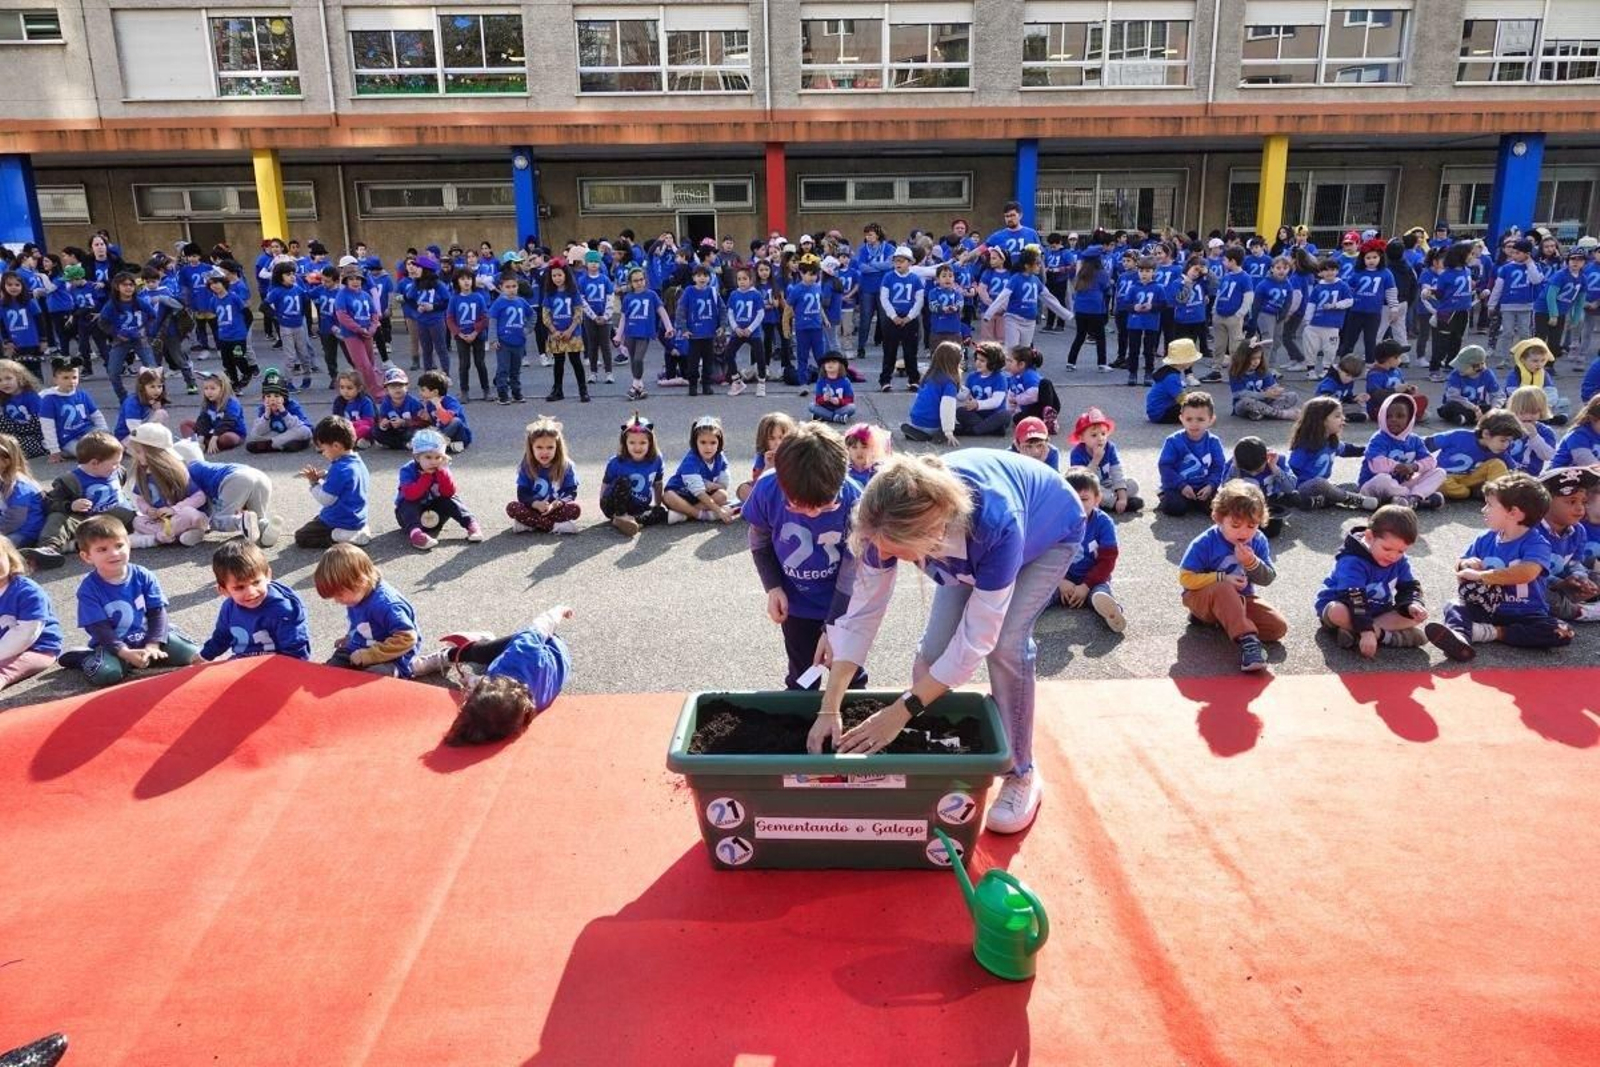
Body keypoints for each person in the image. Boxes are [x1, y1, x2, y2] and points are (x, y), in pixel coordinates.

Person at [811, 449, 1087, 835]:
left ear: (931, 535)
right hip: (967, 545)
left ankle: (1021, 771)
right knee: (934, 654)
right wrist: (830, 705)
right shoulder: (884, 513)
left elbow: (978, 638)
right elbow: (862, 613)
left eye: (894, 550)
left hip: (1049, 529)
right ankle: (931, 748)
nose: (884, 556)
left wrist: (901, 710)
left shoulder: (995, 525)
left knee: (1006, 644)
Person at [744, 423, 865, 690]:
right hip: (796, 603)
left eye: (824, 506)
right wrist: (773, 586)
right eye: (798, 505)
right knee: (802, 673)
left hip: (844, 603)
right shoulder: (767, 489)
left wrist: (834, 624)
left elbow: (852, 570)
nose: (812, 514)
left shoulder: (855, 500)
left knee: (848, 672)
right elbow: (759, 540)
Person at [1426, 472, 1573, 660]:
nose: (1484, 510)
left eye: (1490, 505)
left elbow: (1526, 573)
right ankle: (1461, 637)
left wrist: (1482, 576)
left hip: (1527, 613)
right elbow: (1460, 564)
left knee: (1563, 631)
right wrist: (1465, 564)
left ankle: (1490, 633)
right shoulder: (1484, 538)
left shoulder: (1537, 543)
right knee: (1454, 605)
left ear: (1514, 513)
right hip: (1486, 608)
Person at [56, 515, 199, 687]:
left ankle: (146, 655)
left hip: (146, 636)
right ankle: (84, 657)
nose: (114, 553)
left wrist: (153, 644)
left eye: (119, 546)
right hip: (113, 645)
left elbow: (157, 613)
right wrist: (124, 652)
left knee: (191, 655)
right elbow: (100, 629)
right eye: (102, 549)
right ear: (87, 556)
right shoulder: (88, 589)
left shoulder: (143, 575)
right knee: (107, 674)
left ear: (129, 545)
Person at [414, 605, 575, 746]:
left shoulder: (521, 707)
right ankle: (459, 652)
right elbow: (542, 625)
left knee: (485, 657)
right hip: (550, 646)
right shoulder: (523, 652)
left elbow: (493, 708)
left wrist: (471, 681)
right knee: (484, 652)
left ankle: (474, 646)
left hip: (549, 661)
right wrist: (560, 610)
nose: (465, 697)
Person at [1177, 479, 1287, 672]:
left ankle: (1225, 620)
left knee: (1277, 627)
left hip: (1241, 599)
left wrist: (1251, 563)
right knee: (1223, 587)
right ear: (1219, 518)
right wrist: (1220, 577)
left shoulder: (1258, 540)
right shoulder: (1205, 542)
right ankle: (1248, 642)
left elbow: (1268, 578)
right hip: (1200, 597)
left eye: (1251, 526)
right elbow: (1185, 578)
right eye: (1236, 525)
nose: (1244, 532)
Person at [1314, 504, 1428, 656]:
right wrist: (1367, 631)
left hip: (1378, 612)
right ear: (1369, 537)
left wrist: (1411, 604)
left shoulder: (1399, 560)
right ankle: (1387, 637)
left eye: (1401, 551)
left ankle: (1354, 633)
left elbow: (1409, 587)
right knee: (1337, 611)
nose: (1393, 556)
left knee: (1416, 616)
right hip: (1347, 605)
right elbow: (1354, 597)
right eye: (1387, 549)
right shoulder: (1352, 560)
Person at [19, 430, 134, 571]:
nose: (117, 466)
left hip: (111, 514)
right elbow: (50, 503)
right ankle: (48, 549)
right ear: (94, 463)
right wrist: (71, 505)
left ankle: (152, 531)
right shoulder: (68, 480)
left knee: (133, 515)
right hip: (83, 518)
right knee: (58, 518)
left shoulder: (118, 472)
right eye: (114, 463)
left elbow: (120, 493)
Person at [314, 543, 420, 676]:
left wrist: (369, 655)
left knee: (370, 679)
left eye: (339, 595)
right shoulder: (356, 596)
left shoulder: (387, 605)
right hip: (361, 646)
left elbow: (407, 638)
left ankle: (421, 665)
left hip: (391, 656)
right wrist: (349, 637)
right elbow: (360, 623)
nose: (337, 601)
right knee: (331, 671)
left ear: (360, 581)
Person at [199, 538, 311, 662]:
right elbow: (222, 637)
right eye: (239, 587)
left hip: (278, 665)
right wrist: (204, 655)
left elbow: (296, 653)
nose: (251, 592)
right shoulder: (229, 608)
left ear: (268, 576)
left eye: (256, 582)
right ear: (224, 590)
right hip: (242, 662)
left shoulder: (284, 610)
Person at [1058, 468, 1125, 632]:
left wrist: (1086, 585)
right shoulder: (1055, 521)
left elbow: (1107, 561)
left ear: (1097, 499)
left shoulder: (1104, 523)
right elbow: (1043, 555)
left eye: (1084, 499)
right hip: (1059, 578)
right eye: (1072, 499)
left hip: (1094, 578)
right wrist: (1059, 581)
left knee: (1100, 594)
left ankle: (1113, 612)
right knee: (1039, 594)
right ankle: (1018, 616)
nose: (1078, 505)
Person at [124, 422, 210, 548]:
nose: (136, 456)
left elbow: (200, 497)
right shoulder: (142, 472)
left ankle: (156, 539)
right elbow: (140, 499)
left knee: (189, 514)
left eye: (139, 452)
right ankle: (176, 536)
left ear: (156, 453)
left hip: (182, 516)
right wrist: (148, 510)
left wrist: (174, 509)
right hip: (163, 521)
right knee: (138, 521)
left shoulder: (175, 472)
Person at [396, 427, 482, 550]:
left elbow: (449, 492)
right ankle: (416, 535)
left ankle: (471, 524)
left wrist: (442, 473)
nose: (434, 462)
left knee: (452, 499)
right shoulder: (407, 470)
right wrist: (426, 478)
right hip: (412, 516)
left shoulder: (442, 469)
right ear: (416, 457)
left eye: (438, 457)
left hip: (437, 514)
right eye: (428, 457)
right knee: (406, 503)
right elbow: (411, 494)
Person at [294, 415, 372, 548]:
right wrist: (326, 475)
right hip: (356, 516)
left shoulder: (340, 469)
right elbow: (347, 483)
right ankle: (356, 529)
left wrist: (314, 483)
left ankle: (340, 536)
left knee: (302, 536)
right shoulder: (356, 462)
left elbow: (326, 499)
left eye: (323, 449)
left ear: (336, 446)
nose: (323, 453)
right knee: (316, 521)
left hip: (341, 519)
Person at [1358, 393, 1446, 508]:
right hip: (1374, 485)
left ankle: (1413, 498)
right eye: (1388, 416)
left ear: (1410, 419)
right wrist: (1399, 467)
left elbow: (1431, 461)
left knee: (1439, 472)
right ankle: (1418, 500)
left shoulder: (1415, 440)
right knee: (1383, 479)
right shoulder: (1378, 439)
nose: (1393, 419)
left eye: (1400, 416)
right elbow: (1377, 465)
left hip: (1401, 485)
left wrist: (1413, 467)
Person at [1537, 466, 1600, 624]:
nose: (1580, 508)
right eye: (1572, 501)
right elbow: (1530, 573)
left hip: (1561, 580)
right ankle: (1580, 612)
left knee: (1595, 577)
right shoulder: (1531, 531)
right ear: (1546, 502)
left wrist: (1580, 578)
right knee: (1541, 595)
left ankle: (1579, 600)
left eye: (1584, 502)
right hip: (1534, 582)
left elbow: (1574, 563)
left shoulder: (1578, 530)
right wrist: (1560, 584)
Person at [0, 533, 62, 690]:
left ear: (9, 558)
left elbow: (26, 634)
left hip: (37, 648)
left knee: (5, 670)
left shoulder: (28, 592)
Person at [1425, 408, 1523, 502]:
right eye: (1503, 440)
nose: (1506, 445)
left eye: (1509, 441)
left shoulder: (1500, 450)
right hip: (1445, 477)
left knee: (1497, 464)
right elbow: (1428, 443)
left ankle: (1498, 495)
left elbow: (1515, 470)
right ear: (1486, 434)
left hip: (1471, 478)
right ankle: (1472, 493)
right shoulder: (1459, 436)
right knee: (1441, 483)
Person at [1156, 392, 1226, 516]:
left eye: (1200, 419)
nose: (1194, 424)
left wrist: (1211, 485)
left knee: (1220, 508)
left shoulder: (1213, 442)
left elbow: (1218, 466)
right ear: (1181, 419)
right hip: (1178, 486)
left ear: (1211, 420)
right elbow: (1165, 467)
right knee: (1176, 508)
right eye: (1189, 419)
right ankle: (1165, 495)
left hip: (1204, 486)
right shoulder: (1173, 441)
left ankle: (1197, 502)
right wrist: (1181, 485)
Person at [508, 416, 581, 534]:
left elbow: (571, 491)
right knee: (512, 507)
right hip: (533, 508)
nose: (545, 452)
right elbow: (522, 493)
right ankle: (554, 526)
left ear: (557, 447)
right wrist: (535, 504)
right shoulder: (526, 465)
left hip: (556, 508)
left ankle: (531, 524)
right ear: (531, 448)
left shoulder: (566, 465)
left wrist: (558, 503)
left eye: (550, 447)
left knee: (575, 508)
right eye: (539, 447)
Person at [601, 412, 668, 535]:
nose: (637, 447)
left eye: (643, 443)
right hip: (615, 504)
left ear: (650, 443)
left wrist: (658, 505)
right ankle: (620, 516)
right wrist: (603, 503)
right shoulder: (616, 462)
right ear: (625, 443)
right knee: (623, 481)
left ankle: (632, 522)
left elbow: (658, 483)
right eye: (632, 443)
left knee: (661, 512)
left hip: (638, 506)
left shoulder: (656, 460)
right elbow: (605, 484)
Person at [1068, 407, 1141, 513]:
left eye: (1103, 433)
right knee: (1091, 492)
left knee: (1133, 484)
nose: (1100, 438)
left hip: (1108, 484)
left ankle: (1110, 503)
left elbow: (1117, 472)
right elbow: (1082, 480)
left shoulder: (1110, 447)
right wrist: (1096, 459)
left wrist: (1122, 497)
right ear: (1081, 438)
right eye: (1094, 435)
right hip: (1089, 486)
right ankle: (1113, 504)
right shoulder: (1077, 453)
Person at [1222, 436, 1296, 538]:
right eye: (1249, 471)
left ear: (1266, 457)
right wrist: (1235, 468)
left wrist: (1274, 468)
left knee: (1294, 497)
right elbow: (1225, 490)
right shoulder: (1235, 464)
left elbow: (1290, 488)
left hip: (1271, 501)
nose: (1253, 473)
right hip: (1246, 504)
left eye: (1258, 469)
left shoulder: (1278, 460)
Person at [39, 356, 105, 461]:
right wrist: (54, 450)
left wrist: (104, 431)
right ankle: (64, 450)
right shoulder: (49, 400)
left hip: (87, 431)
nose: (71, 381)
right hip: (68, 438)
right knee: (86, 454)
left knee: (109, 444)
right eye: (66, 378)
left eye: (74, 377)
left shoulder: (82, 394)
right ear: (55, 380)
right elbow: (48, 427)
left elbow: (96, 415)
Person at [901, 340, 962, 444]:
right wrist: (948, 432)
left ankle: (917, 430)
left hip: (915, 421)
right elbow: (947, 407)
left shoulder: (928, 377)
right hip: (932, 424)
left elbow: (918, 399)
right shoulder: (949, 383)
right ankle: (935, 434)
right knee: (959, 426)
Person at [488, 272, 534, 404]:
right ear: (501, 288)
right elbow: (493, 321)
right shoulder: (498, 303)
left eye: (514, 286)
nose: (511, 289)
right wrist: (493, 339)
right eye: (507, 287)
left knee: (516, 369)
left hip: (519, 341)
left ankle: (516, 392)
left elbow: (532, 315)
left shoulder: (521, 301)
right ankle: (502, 393)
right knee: (503, 369)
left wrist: (527, 329)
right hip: (503, 342)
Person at [1228, 337, 1299, 422]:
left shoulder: (1262, 370)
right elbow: (1239, 394)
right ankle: (1282, 414)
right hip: (1243, 404)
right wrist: (1264, 395)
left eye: (1259, 358)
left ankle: (1262, 411)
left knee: (1293, 396)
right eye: (1253, 359)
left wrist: (1275, 390)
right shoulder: (1236, 372)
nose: (1256, 361)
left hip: (1265, 401)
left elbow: (1271, 386)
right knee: (1247, 402)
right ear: (1243, 358)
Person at [1506, 337, 1569, 424]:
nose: (1539, 364)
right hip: (1522, 403)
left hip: (1540, 404)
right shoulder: (1516, 373)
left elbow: (1551, 391)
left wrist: (1546, 403)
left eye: (1543, 360)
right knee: (1505, 406)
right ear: (1523, 360)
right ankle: (1542, 419)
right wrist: (1529, 402)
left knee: (1564, 402)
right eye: (1535, 361)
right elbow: (1512, 392)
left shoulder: (1544, 374)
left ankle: (1543, 417)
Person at [244, 373, 313, 454]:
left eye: (276, 396)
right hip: (279, 435)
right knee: (255, 434)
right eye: (268, 396)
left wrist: (283, 412)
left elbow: (300, 426)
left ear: (284, 398)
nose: (272, 400)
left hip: (294, 432)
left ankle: (270, 445)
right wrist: (266, 415)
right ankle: (283, 445)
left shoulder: (292, 406)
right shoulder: (263, 408)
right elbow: (258, 432)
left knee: (304, 431)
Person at [736, 412, 795, 502]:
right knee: (743, 489)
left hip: (788, 494)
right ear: (764, 440)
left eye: (781, 437)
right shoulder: (763, 455)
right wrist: (768, 467)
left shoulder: (794, 453)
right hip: (768, 492)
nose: (778, 443)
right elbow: (758, 484)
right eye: (772, 439)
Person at [182, 371, 246, 455]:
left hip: (232, 432)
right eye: (206, 388)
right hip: (213, 431)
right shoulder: (208, 402)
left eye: (213, 388)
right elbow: (203, 420)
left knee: (227, 438)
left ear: (222, 388)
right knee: (185, 424)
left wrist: (215, 436)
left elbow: (229, 422)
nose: (209, 392)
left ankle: (201, 443)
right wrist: (201, 437)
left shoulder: (232, 402)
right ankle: (197, 444)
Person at [416, 370, 472, 454]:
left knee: (456, 421)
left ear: (435, 392)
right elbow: (436, 422)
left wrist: (438, 406)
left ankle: (434, 443)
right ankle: (447, 446)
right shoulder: (429, 403)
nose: (420, 393)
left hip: (459, 436)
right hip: (442, 433)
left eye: (423, 390)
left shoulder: (451, 402)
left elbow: (446, 420)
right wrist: (428, 418)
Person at [1146, 337, 1200, 424]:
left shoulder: (1168, 371)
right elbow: (1181, 399)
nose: (1193, 362)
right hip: (1161, 413)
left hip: (1157, 410)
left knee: (1194, 399)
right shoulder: (1172, 377)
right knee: (1195, 405)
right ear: (1183, 361)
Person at [0, 359, 45, 458]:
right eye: (0, 380)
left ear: (20, 378)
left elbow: (39, 424)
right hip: (18, 435)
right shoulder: (5, 399)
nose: (4, 383)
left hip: (36, 438)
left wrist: (9, 427)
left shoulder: (31, 397)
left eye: (8, 378)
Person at [374, 366, 427, 450]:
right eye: (393, 386)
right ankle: (403, 445)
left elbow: (422, 422)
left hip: (409, 429)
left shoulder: (414, 402)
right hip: (394, 430)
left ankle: (398, 444)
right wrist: (384, 424)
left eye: (400, 385)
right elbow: (382, 417)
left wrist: (404, 422)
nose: (397, 389)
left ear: (407, 386)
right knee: (376, 432)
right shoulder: (385, 402)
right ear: (386, 389)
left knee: (414, 433)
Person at [809, 351, 856, 424]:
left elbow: (850, 400)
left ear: (840, 366)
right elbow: (817, 400)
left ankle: (823, 416)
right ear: (824, 366)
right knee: (811, 406)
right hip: (825, 407)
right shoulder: (821, 381)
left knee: (852, 407)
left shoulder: (845, 381)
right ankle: (835, 418)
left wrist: (839, 401)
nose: (830, 364)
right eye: (827, 362)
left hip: (840, 408)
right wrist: (824, 399)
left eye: (834, 362)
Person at [844, 421, 888, 489]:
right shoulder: (845, 470)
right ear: (848, 449)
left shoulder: (876, 470)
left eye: (864, 447)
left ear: (873, 448)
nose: (859, 452)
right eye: (854, 447)